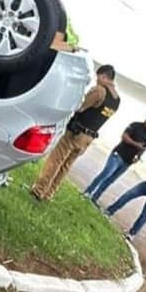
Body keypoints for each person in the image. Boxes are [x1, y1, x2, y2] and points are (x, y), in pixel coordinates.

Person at [31, 64, 120, 201]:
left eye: (98, 78)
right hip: (89, 138)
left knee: (55, 160)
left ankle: (39, 190)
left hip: (76, 132)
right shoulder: (116, 100)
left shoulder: (99, 91)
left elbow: (80, 106)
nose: (96, 81)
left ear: (104, 76)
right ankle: (49, 193)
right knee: (66, 166)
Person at [83, 115, 146, 204]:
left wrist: (138, 157)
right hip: (119, 155)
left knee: (111, 180)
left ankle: (95, 197)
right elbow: (124, 137)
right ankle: (88, 191)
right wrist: (136, 144)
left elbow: (143, 148)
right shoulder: (136, 125)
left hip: (128, 161)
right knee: (105, 174)